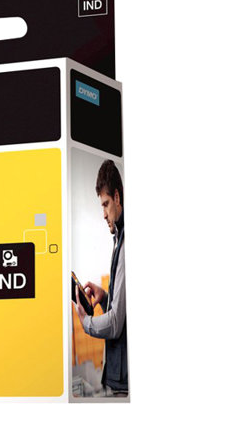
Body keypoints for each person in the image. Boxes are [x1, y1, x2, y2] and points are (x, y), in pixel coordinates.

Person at [74, 159, 128, 396]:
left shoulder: (126, 244)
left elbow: (115, 324)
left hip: (125, 382)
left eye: (106, 204)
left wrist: (85, 321)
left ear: (117, 197)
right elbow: (123, 310)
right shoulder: (119, 241)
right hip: (119, 376)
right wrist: (105, 297)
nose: (103, 214)